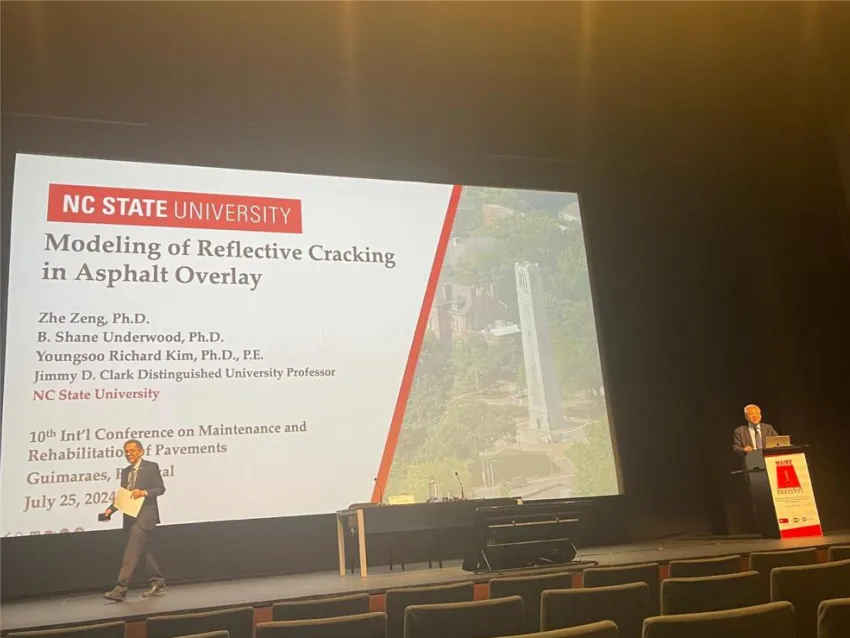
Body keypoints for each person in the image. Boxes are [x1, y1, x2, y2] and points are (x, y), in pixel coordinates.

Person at [102, 439, 167, 601]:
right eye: (126, 452)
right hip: (130, 516)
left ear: (141, 451)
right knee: (147, 552)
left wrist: (144, 492)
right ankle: (158, 581)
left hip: (145, 517)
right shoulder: (125, 472)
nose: (128, 454)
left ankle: (120, 588)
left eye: (132, 451)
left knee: (131, 552)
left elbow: (160, 488)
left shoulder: (151, 467)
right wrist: (111, 509)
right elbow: (124, 496)